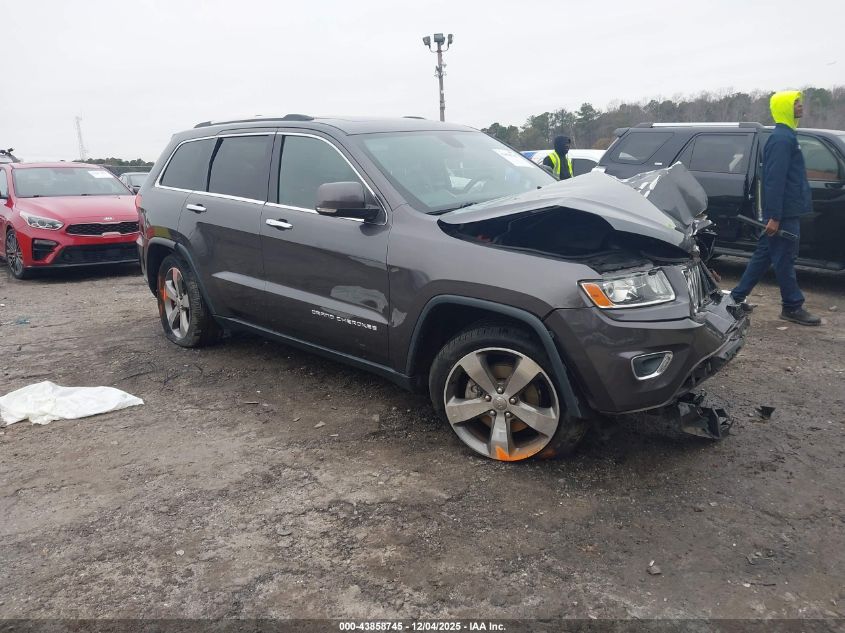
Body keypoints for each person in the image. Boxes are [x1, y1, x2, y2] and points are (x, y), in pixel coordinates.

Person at [730, 90, 821, 326]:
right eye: (795, 103)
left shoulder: (787, 136)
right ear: (784, 107)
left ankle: (736, 299)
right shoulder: (782, 139)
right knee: (785, 258)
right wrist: (774, 216)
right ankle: (792, 306)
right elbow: (773, 179)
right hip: (784, 213)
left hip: (786, 211)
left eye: (800, 102)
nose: (800, 106)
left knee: (765, 255)